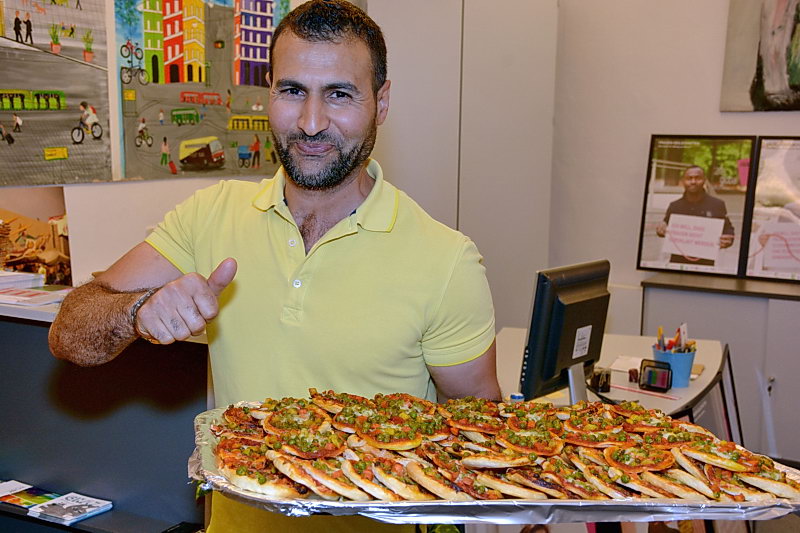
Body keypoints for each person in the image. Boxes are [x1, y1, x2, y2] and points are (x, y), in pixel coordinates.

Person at [48, 2, 500, 532]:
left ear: (381, 103)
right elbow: (69, 334)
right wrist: (137, 311)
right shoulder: (210, 214)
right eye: (292, 91)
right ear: (270, 94)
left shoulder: (445, 259)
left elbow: (482, 434)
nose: (311, 123)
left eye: (339, 94)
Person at [655, 165, 735, 266]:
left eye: (698, 178)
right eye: (689, 178)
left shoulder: (717, 204)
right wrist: (661, 229)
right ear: (683, 181)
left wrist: (729, 239)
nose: (693, 181)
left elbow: (727, 228)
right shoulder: (675, 206)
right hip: (677, 262)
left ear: (704, 180)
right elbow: (665, 226)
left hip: (705, 264)